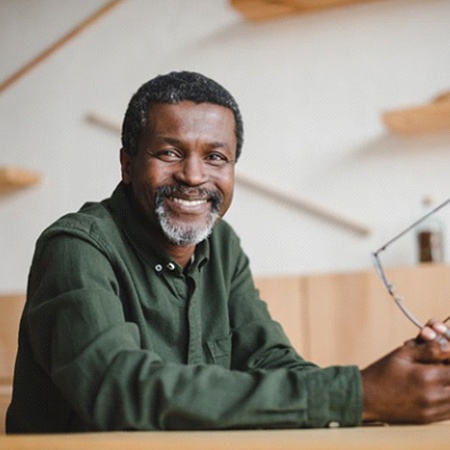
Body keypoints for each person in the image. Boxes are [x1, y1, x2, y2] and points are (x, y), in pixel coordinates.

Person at [6, 71, 450, 433]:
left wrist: (393, 379)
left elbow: (270, 360)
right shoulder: (76, 248)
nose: (194, 175)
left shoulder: (221, 244)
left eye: (216, 157)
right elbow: (122, 390)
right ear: (127, 163)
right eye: (169, 152)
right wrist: (357, 395)